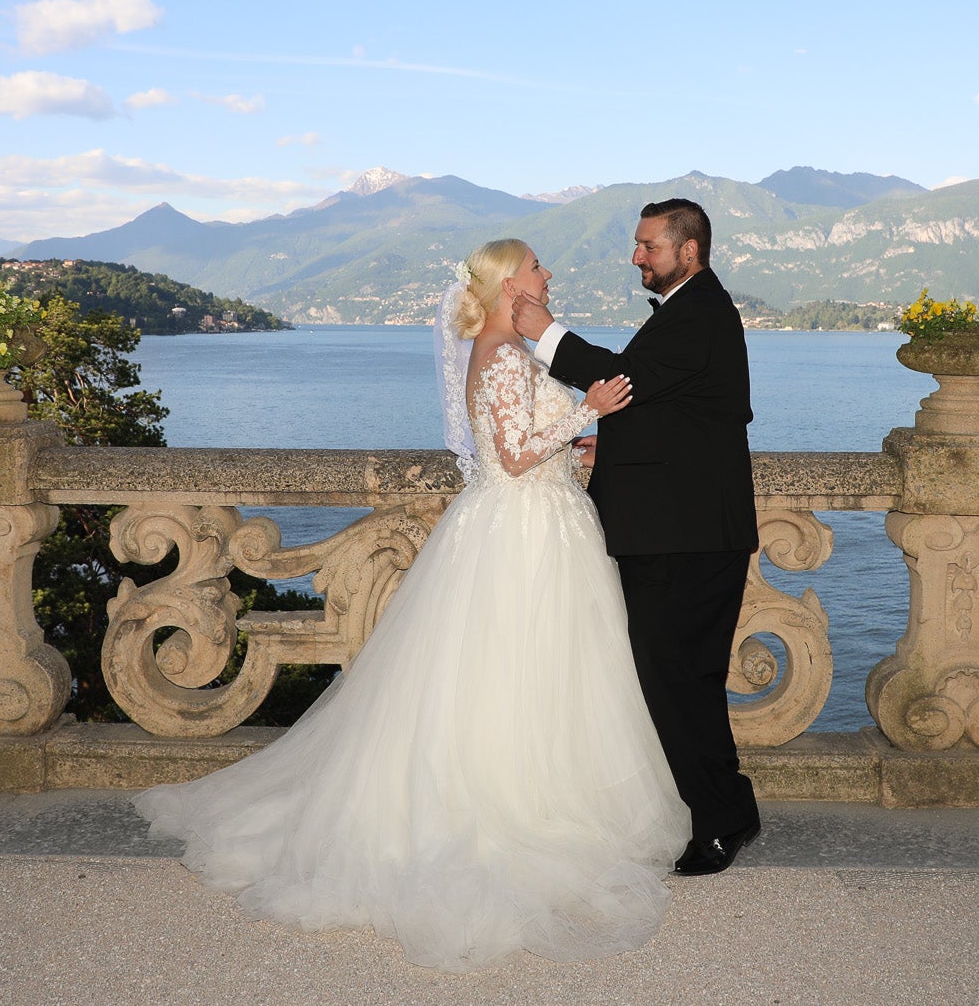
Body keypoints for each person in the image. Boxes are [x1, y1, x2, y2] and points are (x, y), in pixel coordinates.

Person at [136, 238, 688, 972]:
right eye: (535, 266)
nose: (546, 273)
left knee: (530, 671)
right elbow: (515, 454)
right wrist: (585, 409)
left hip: (534, 522)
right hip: (524, 534)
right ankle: (519, 804)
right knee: (518, 667)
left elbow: (521, 444)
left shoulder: (505, 351)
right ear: (507, 285)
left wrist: (575, 442)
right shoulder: (501, 355)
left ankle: (545, 796)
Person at [511, 198, 762, 876]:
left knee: (677, 680)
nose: (636, 256)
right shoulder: (694, 310)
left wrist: (545, 332)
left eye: (648, 245)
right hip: (686, 527)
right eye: (638, 243)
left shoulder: (701, 311)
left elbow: (624, 380)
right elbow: (673, 406)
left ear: (689, 250)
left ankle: (722, 820)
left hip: (684, 536)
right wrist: (616, 445)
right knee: (685, 678)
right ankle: (728, 809)